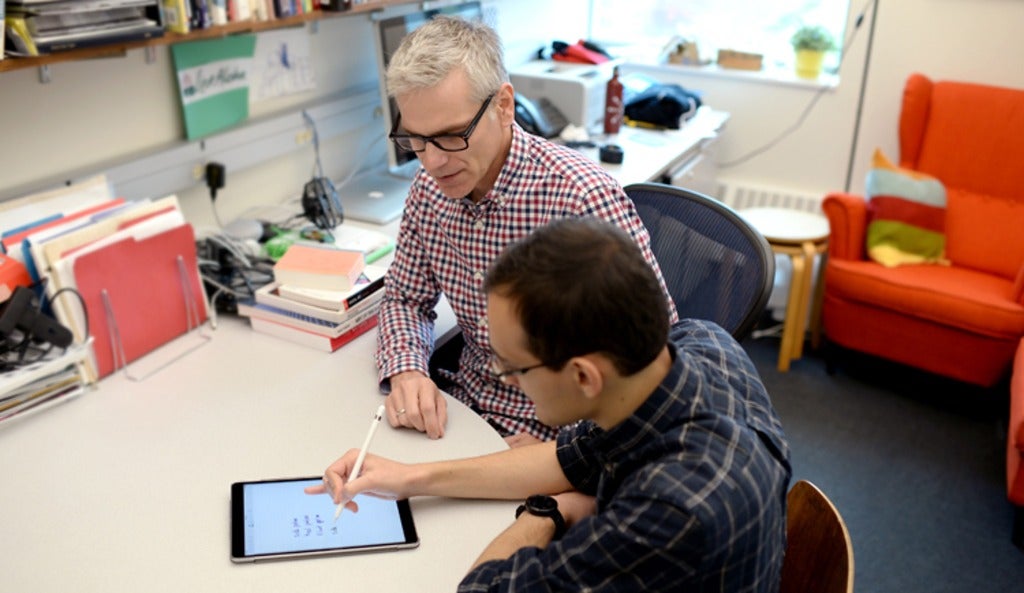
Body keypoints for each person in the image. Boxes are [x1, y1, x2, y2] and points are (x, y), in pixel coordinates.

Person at [308, 217, 792, 592]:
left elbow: (486, 588)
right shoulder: (702, 346)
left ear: (583, 376)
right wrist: (410, 478)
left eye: (515, 368)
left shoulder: (668, 513)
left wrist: (545, 513)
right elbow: (568, 459)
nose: (506, 379)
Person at [373, 15, 678, 444]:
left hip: (560, 437)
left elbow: (648, 371)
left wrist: (568, 452)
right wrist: (407, 369)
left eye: (450, 136)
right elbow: (406, 298)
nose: (432, 162)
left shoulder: (581, 199)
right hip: (465, 416)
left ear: (503, 105)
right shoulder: (430, 190)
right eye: (416, 140)